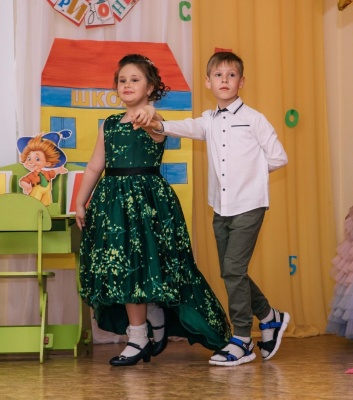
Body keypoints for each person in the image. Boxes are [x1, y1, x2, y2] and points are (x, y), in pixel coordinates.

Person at [132, 51, 290, 366]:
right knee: (232, 271)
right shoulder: (209, 120)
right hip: (221, 206)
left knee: (233, 270)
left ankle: (242, 339)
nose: (224, 80)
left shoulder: (255, 119)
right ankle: (269, 316)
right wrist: (154, 120)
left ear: (241, 81)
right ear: (208, 82)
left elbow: (278, 157)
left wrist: (249, 178)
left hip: (249, 205)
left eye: (231, 75)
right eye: (218, 75)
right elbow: (181, 127)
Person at [74, 54, 231, 367]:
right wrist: (80, 200)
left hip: (147, 204)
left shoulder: (153, 120)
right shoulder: (109, 125)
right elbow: (94, 166)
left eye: (135, 80)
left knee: (145, 266)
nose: (127, 85)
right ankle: (148, 324)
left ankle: (140, 336)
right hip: (114, 206)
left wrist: (149, 113)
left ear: (150, 88)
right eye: (122, 80)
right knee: (125, 268)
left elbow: (152, 120)